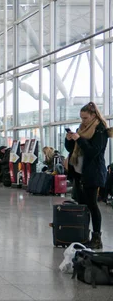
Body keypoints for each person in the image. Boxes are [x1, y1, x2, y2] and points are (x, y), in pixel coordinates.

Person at [65, 102, 112, 249]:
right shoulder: (82, 128)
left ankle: (96, 238)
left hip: (93, 173)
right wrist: (69, 139)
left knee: (92, 205)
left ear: (93, 115)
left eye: (85, 118)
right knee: (82, 204)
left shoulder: (100, 130)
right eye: (81, 118)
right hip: (79, 172)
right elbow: (72, 149)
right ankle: (83, 233)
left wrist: (79, 138)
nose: (82, 121)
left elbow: (93, 152)